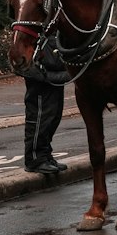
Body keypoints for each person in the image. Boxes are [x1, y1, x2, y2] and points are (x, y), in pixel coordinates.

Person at [23, 35, 70, 175]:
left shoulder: (50, 28)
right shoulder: (32, 32)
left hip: (51, 76)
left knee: (53, 117)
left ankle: (45, 155)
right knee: (39, 119)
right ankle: (35, 159)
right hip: (41, 79)